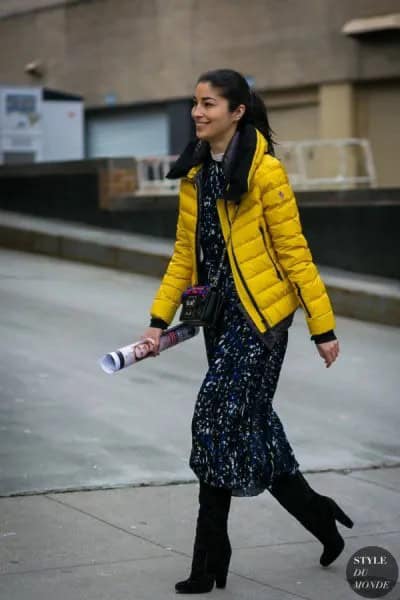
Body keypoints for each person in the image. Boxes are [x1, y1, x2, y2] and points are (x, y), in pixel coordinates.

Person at [140, 68, 353, 594]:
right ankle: (321, 518)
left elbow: (295, 254)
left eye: (209, 104)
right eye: (195, 103)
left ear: (237, 112)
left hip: (261, 324)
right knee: (252, 430)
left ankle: (209, 561)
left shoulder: (265, 173)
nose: (198, 112)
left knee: (214, 418)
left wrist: (321, 328)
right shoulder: (194, 174)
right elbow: (184, 258)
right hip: (216, 321)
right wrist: (155, 324)